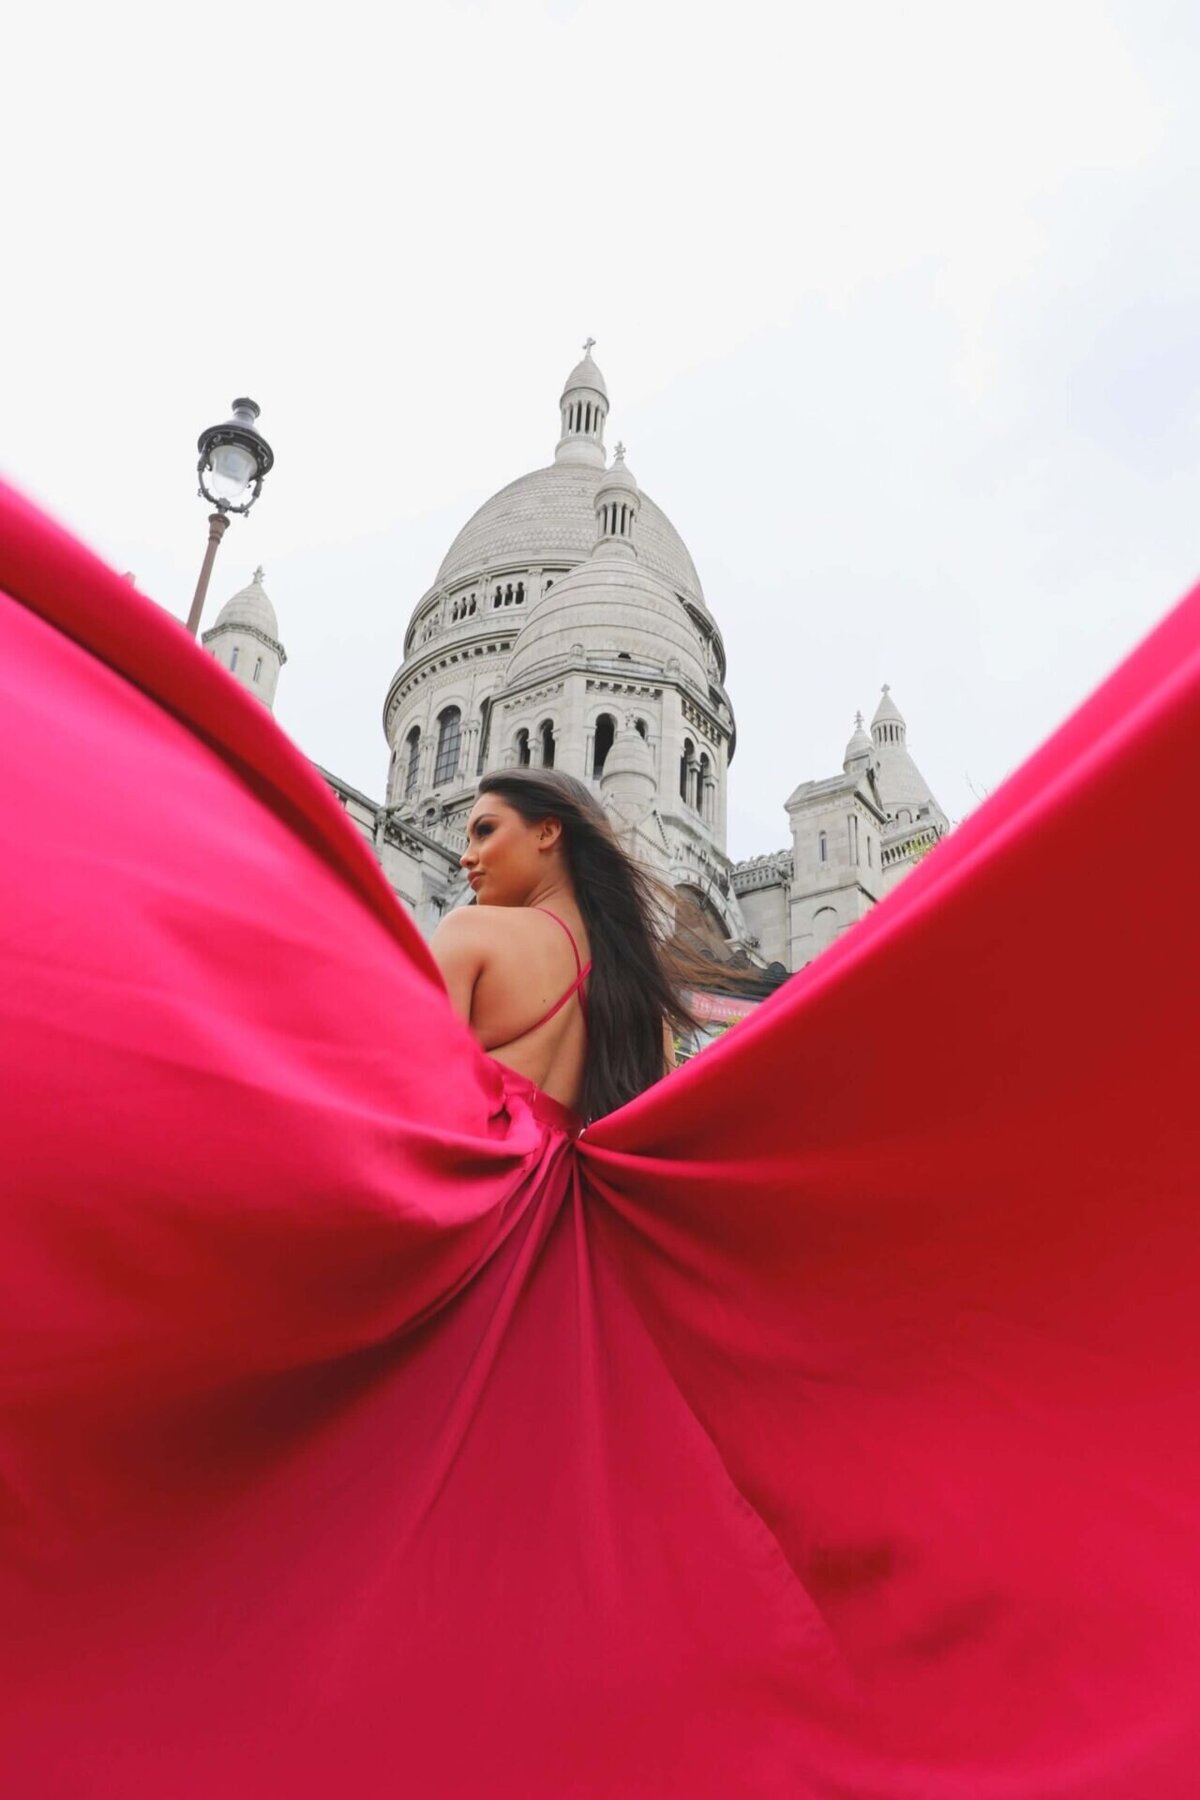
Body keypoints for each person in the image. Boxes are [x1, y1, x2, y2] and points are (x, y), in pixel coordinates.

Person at [3, 477, 1200, 1798]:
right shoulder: (663, 979)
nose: (460, 844)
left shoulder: (481, 939)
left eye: (482, 821)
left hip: (478, 1261)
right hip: (594, 1285)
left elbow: (368, 1071)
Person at [430, 768, 692, 1123]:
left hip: (472, 1171)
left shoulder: (468, 931)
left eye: (484, 831)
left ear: (548, 831)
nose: (467, 856)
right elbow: (663, 1129)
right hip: (565, 1179)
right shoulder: (641, 996)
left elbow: (421, 1092)